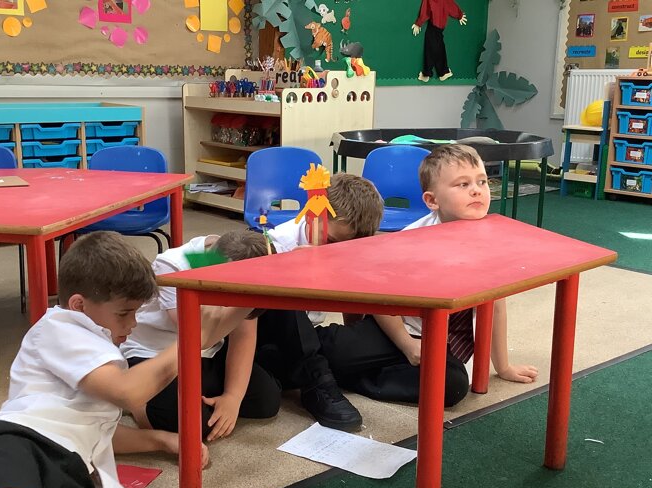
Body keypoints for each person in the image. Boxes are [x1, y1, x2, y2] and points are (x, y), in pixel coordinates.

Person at [0, 231, 207, 488]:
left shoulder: (101, 349)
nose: (133, 323)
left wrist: (161, 440)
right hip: (14, 444)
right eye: (124, 313)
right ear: (79, 305)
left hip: (69, 471)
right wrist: (193, 339)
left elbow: (91, 432)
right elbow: (128, 393)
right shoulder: (58, 326)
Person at [317, 144, 538, 407]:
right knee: (330, 349)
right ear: (432, 200)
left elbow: (496, 305)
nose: (477, 190)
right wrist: (407, 345)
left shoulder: (493, 241)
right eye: (463, 184)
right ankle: (329, 368)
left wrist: (503, 367)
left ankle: (348, 377)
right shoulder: (411, 241)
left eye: (482, 181)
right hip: (397, 329)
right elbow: (381, 298)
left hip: (442, 341)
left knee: (452, 384)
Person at [122, 229, 281, 442]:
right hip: (156, 355)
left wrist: (232, 397)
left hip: (206, 354)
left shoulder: (229, 260)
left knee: (266, 400)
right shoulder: (173, 266)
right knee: (192, 425)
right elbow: (198, 336)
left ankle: (184, 399)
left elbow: (243, 335)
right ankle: (137, 405)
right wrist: (247, 302)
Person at [256, 173, 385, 431]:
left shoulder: (348, 245)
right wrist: (290, 270)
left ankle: (326, 371)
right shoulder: (276, 245)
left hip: (312, 339)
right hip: (272, 340)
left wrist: (353, 336)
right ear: (311, 216)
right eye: (332, 242)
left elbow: (352, 301)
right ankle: (317, 379)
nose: (334, 251)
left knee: (375, 339)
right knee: (280, 290)